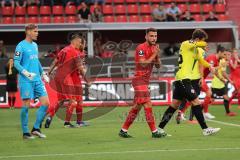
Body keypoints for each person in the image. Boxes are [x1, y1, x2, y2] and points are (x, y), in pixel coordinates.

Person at [158, 29, 221, 136]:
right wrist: (203, 44)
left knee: (174, 105)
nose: (204, 43)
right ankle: (205, 129)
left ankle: (159, 129)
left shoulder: (196, 50)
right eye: (202, 40)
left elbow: (201, 61)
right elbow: (201, 44)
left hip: (182, 79)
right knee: (196, 102)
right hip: (183, 78)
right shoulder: (186, 44)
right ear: (197, 39)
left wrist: (210, 66)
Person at [119, 28, 163, 138]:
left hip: (145, 81)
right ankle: (154, 131)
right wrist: (154, 54)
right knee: (148, 104)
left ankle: (123, 130)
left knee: (136, 107)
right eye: (151, 36)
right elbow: (143, 64)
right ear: (146, 37)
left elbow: (158, 66)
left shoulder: (154, 48)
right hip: (139, 80)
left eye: (155, 36)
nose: (154, 38)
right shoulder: (140, 48)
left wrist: (157, 55)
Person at [44, 33, 91, 128]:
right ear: (78, 41)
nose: (83, 45)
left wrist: (48, 72)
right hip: (69, 78)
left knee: (62, 101)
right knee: (74, 101)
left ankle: (44, 117)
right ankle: (68, 122)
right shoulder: (75, 52)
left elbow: (55, 61)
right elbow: (81, 69)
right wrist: (87, 80)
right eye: (82, 42)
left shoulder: (64, 50)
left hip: (62, 77)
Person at [14, 24, 50, 139]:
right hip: (26, 80)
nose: (37, 33)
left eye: (37, 31)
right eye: (35, 31)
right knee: (26, 105)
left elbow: (36, 60)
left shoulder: (35, 45)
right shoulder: (20, 46)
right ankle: (25, 132)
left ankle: (35, 128)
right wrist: (26, 73)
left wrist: (43, 73)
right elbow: (16, 63)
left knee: (46, 103)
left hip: (37, 80)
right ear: (28, 32)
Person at [201, 45, 229, 119]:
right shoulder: (212, 58)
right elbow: (212, 69)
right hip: (198, 77)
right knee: (209, 93)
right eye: (224, 54)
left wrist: (221, 79)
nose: (225, 56)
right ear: (219, 52)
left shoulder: (217, 60)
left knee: (192, 97)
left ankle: (181, 113)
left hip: (200, 78)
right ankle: (205, 112)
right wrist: (221, 65)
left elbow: (215, 72)